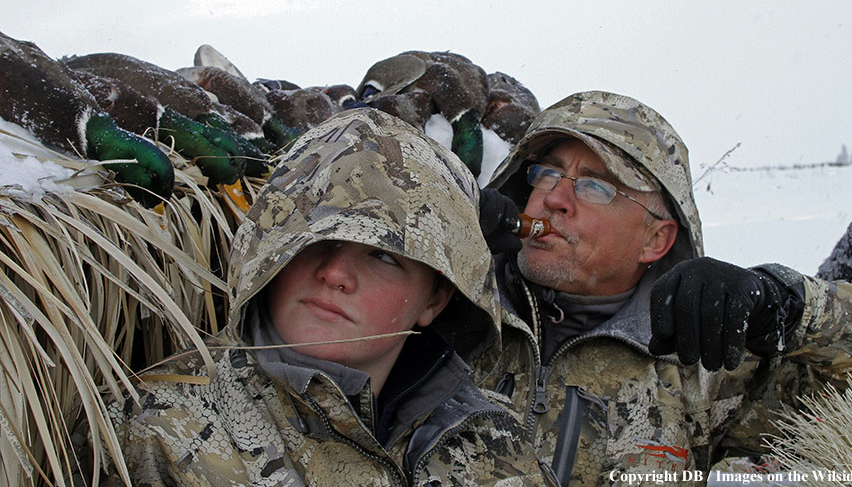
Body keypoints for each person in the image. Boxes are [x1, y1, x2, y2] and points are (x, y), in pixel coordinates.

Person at [475, 90, 852, 486]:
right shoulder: (452, 307)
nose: (554, 198)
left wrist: (785, 306)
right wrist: (447, 254)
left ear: (655, 240)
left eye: (595, 185)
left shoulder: (705, 363)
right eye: (548, 173)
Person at [106, 108, 546, 486]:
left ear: (436, 300)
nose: (335, 273)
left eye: (384, 256)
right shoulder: (158, 428)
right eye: (316, 241)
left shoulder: (492, 438)